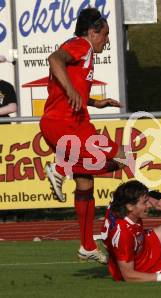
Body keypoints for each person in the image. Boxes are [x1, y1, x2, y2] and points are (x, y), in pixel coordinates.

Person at [40, 8, 125, 264]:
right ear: (92, 31)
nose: (107, 41)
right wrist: (72, 92)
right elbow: (54, 59)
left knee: (86, 181)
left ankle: (87, 246)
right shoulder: (81, 44)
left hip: (62, 124)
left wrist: (94, 102)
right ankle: (60, 167)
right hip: (68, 125)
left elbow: (70, 89)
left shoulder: (84, 52)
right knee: (122, 157)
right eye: (105, 35)